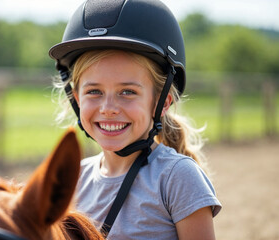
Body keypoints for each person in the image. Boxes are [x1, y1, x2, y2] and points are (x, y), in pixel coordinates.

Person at [49, 0, 221, 239]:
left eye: (127, 92)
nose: (108, 109)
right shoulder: (73, 180)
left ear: (162, 103)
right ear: (77, 99)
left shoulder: (177, 178)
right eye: (94, 92)